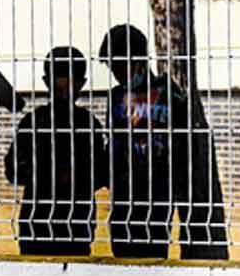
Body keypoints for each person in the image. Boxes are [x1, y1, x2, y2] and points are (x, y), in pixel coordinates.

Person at [98, 26, 228, 259]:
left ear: (137, 59)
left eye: (119, 65)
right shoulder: (115, 97)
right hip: (123, 199)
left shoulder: (169, 93)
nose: (116, 72)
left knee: (152, 259)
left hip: (157, 197)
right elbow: (113, 143)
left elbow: (184, 147)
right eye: (111, 67)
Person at [4, 46, 109, 256]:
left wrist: (47, 175)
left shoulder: (35, 121)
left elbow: (13, 170)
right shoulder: (86, 123)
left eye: (70, 81)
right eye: (62, 80)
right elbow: (13, 169)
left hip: (56, 220)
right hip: (63, 220)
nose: (66, 86)